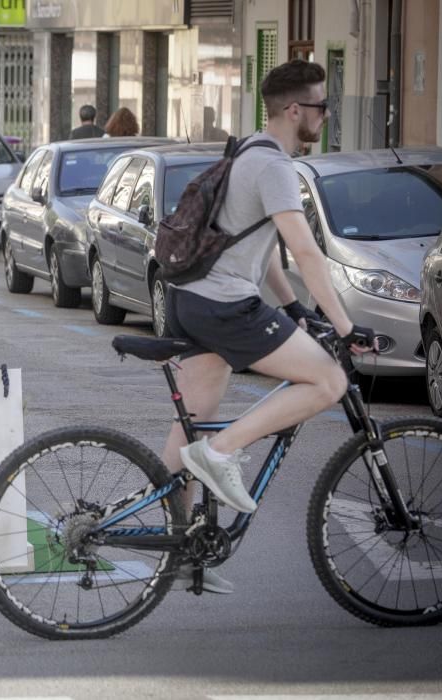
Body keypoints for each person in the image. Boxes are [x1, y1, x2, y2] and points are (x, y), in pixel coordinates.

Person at [159, 59, 374, 594]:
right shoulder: (274, 165)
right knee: (329, 381)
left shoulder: (247, 150)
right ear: (295, 109)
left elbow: (263, 248)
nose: (325, 116)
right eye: (322, 106)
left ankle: (179, 549)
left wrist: (295, 308)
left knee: (190, 425)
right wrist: (345, 328)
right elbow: (304, 248)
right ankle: (222, 451)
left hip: (191, 299)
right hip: (225, 306)